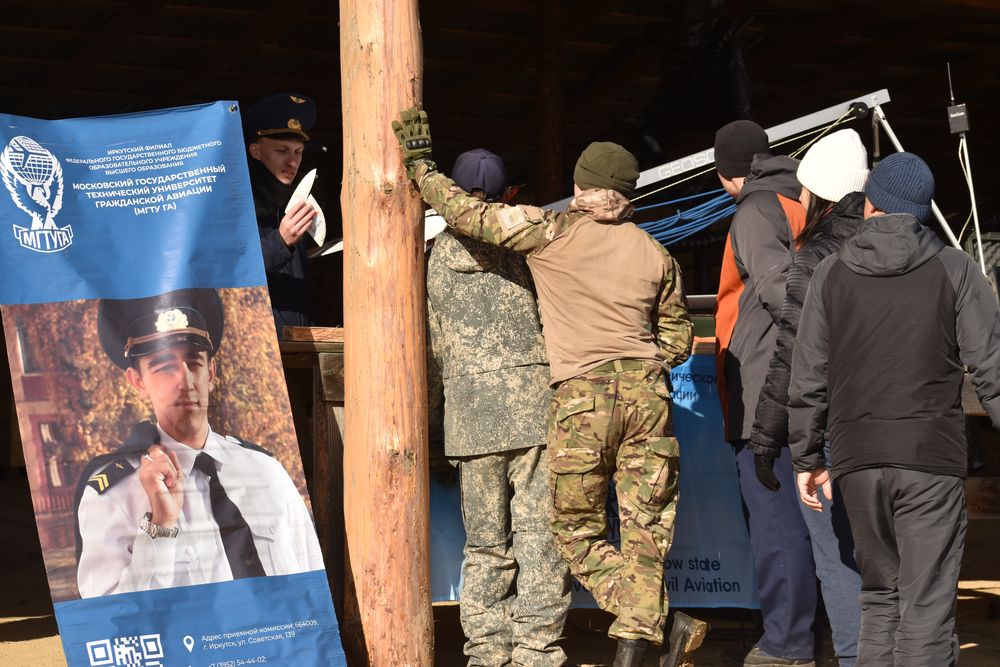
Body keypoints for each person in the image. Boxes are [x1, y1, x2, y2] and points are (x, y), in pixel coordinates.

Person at [393, 109, 702, 667]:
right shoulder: (657, 254)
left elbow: (465, 217)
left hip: (559, 403)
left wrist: (420, 167)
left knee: (560, 533)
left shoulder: (549, 235)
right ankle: (590, 641)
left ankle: (498, 652)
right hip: (635, 399)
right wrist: (638, 361)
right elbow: (679, 342)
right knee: (643, 530)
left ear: (579, 187)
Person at [789, 152, 1000, 667]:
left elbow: (808, 373)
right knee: (926, 604)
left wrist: (806, 457)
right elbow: (992, 366)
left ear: (870, 204)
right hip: (930, 458)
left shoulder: (831, 273)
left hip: (857, 459)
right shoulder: (955, 268)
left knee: (880, 596)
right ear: (921, 212)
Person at [73, 288, 324, 598]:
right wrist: (161, 526)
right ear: (137, 381)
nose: (185, 380)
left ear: (212, 372)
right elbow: (111, 616)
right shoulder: (115, 496)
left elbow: (312, 582)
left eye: (194, 363)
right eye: (164, 367)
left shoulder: (266, 471)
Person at [426, 148, 571, 666]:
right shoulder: (528, 247)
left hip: (472, 417)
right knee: (540, 538)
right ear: (508, 193)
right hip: (535, 410)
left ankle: (488, 653)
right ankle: (537, 651)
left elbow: (432, 352)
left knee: (486, 545)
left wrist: (433, 425)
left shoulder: (434, 260)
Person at [750, 129, 869, 667]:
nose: (798, 198)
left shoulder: (816, 256)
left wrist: (766, 439)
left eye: (803, 189)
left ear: (820, 194)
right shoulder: (913, 250)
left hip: (834, 432)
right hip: (897, 433)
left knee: (838, 558)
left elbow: (791, 359)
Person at [713, 119, 818, 667]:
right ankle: (812, 634)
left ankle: (786, 642)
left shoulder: (754, 210)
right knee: (810, 521)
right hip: (805, 384)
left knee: (776, 524)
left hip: (766, 388)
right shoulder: (804, 199)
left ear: (724, 172)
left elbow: (783, 294)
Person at [242, 92, 319, 337]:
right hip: (257, 345)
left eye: (298, 151)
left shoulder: (292, 202)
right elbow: (227, 270)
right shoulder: (233, 204)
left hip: (298, 342)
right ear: (256, 151)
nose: (293, 161)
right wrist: (281, 241)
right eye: (282, 150)